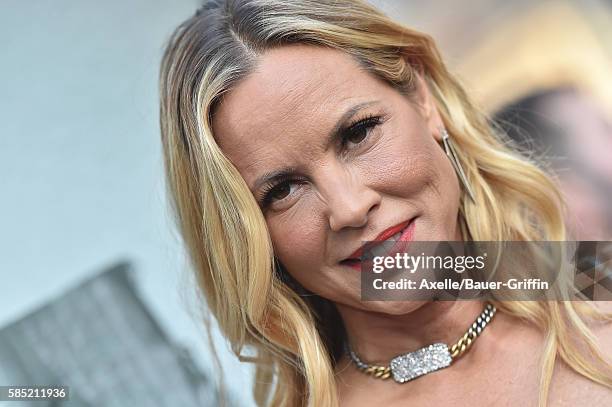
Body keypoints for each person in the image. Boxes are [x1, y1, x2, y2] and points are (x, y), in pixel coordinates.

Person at [158, 0, 612, 406]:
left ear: (422, 97)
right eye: (283, 190)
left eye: (358, 133)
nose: (350, 208)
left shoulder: (593, 283)